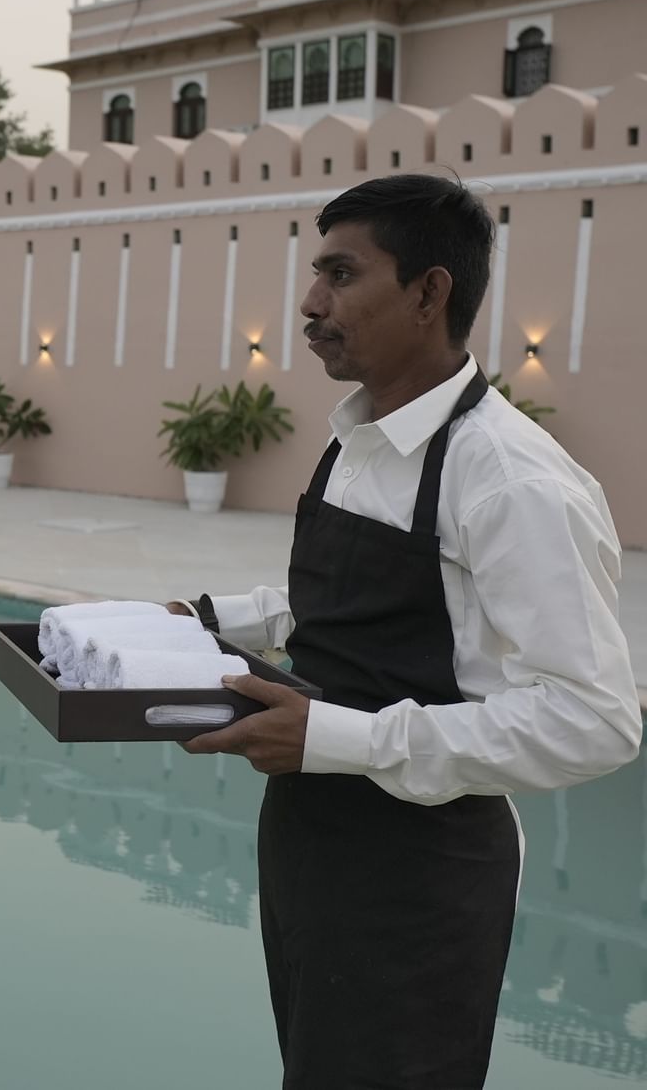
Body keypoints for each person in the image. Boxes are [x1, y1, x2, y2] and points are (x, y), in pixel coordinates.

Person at [170, 174, 640, 1089]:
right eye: (317, 273)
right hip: (311, 840)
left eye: (341, 275)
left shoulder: (510, 479)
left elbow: (597, 719)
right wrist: (204, 621)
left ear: (430, 292)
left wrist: (336, 734)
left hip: (419, 877)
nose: (312, 303)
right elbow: (344, 599)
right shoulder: (360, 437)